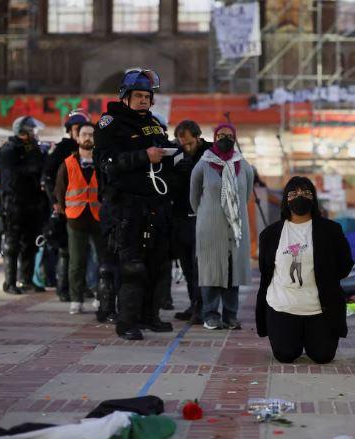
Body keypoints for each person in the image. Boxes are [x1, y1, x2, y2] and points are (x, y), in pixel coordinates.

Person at [94, 67, 175, 340]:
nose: (143, 100)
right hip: (125, 206)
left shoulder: (153, 122)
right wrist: (143, 156)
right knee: (132, 266)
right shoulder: (110, 123)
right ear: (125, 97)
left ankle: (150, 317)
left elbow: (160, 153)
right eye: (138, 95)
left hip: (156, 204)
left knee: (158, 264)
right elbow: (106, 164)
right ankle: (127, 323)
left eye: (147, 96)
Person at [255, 177, 353, 363]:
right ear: (286, 199)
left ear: (314, 198)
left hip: (319, 309)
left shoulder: (331, 230)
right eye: (294, 193)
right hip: (282, 307)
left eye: (306, 193)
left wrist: (327, 280)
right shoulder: (270, 234)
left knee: (322, 356)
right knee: (285, 355)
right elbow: (265, 270)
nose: (300, 197)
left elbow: (345, 265)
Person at [190, 123, 254, 330]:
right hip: (210, 225)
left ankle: (230, 315)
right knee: (211, 269)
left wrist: (233, 212)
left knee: (232, 271)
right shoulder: (203, 164)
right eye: (220, 135)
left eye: (229, 135)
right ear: (214, 137)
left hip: (235, 227)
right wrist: (208, 213)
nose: (225, 138)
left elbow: (246, 194)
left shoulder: (243, 165)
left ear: (235, 138)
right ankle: (210, 314)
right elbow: (194, 197)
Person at [54, 122, 105, 314]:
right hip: (75, 219)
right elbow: (59, 191)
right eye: (84, 134)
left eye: (91, 135)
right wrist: (66, 210)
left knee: (102, 261)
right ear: (77, 138)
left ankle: (102, 297)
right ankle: (76, 299)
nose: (87, 138)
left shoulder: (102, 162)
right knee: (77, 262)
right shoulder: (67, 164)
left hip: (98, 218)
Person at [42, 108, 92, 302]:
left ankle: (81, 287)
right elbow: (47, 177)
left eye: (85, 130)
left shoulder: (91, 150)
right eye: (77, 129)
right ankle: (63, 288)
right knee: (65, 250)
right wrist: (55, 202)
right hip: (65, 208)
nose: (81, 133)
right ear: (70, 130)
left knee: (83, 251)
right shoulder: (63, 149)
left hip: (87, 210)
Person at [0, 116, 47, 295]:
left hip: (32, 202)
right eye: (31, 130)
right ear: (22, 131)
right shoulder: (8, 150)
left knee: (31, 244)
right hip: (13, 202)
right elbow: (10, 176)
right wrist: (32, 166)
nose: (34, 134)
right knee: (12, 243)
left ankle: (26, 280)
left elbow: (41, 169)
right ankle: (9, 282)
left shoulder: (33, 148)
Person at [171, 120, 212, 324]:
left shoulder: (210, 153)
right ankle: (193, 302)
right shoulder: (178, 154)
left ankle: (203, 306)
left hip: (202, 218)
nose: (186, 148)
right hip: (181, 217)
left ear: (198, 137)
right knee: (187, 265)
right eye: (182, 144)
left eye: (189, 144)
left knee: (200, 267)